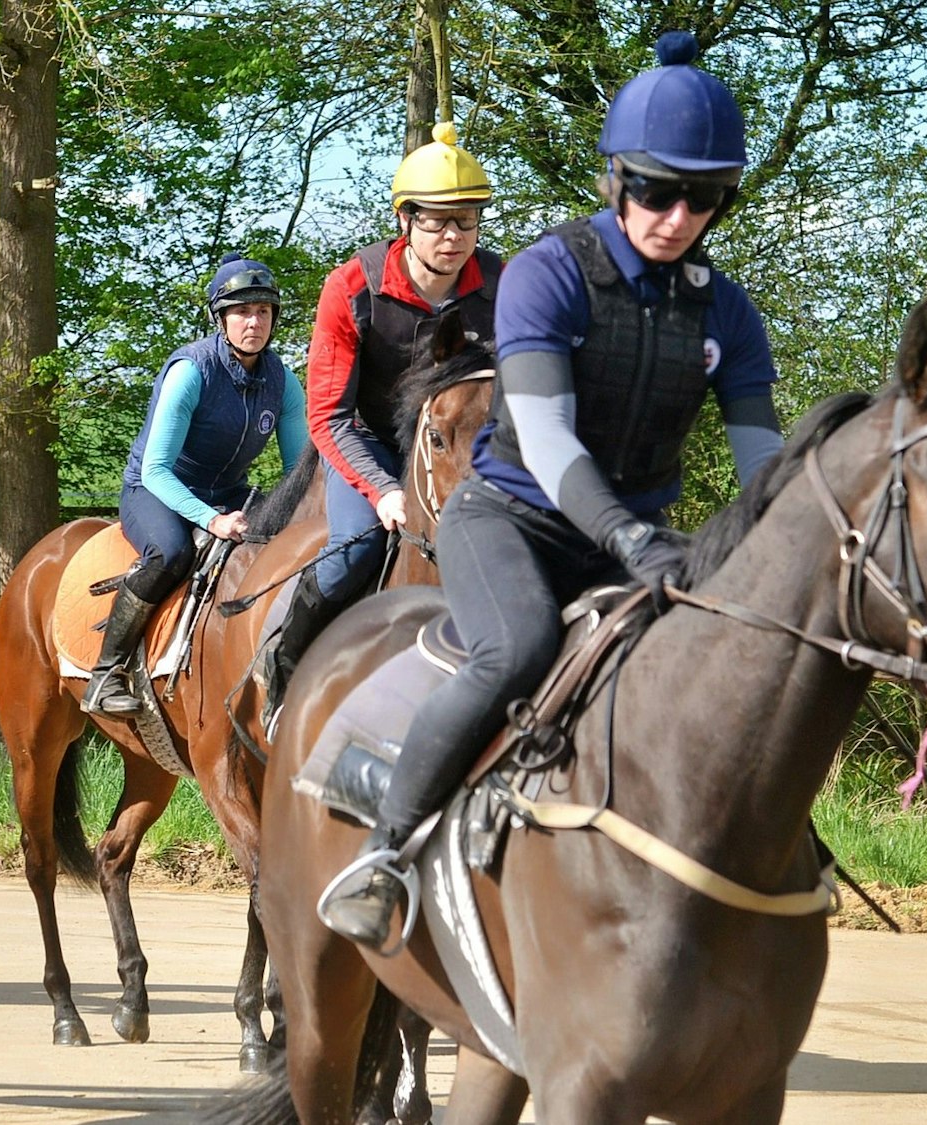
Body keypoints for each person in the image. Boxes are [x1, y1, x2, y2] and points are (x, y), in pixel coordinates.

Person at [320, 31, 789, 948]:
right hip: (510, 521)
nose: (676, 214)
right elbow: (543, 435)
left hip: (637, 538)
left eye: (702, 197)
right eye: (656, 189)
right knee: (520, 644)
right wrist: (632, 539)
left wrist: (762, 562)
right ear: (618, 179)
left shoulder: (727, 313)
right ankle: (381, 854)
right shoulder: (548, 273)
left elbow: (763, 465)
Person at [262, 122, 503, 712]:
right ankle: (285, 673)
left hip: (469, 448)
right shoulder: (351, 287)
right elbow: (328, 417)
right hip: (367, 446)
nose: (453, 236)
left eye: (466, 221)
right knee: (356, 548)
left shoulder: (505, 284)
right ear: (405, 220)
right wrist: (384, 490)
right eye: (437, 221)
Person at [84, 256, 310, 715]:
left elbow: (298, 472)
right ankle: (106, 673)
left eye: (263, 311)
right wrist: (211, 520)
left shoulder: (283, 383)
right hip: (156, 491)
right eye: (243, 311)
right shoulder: (191, 370)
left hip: (228, 490)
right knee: (171, 553)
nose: (254, 322)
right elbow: (156, 471)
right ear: (220, 317)